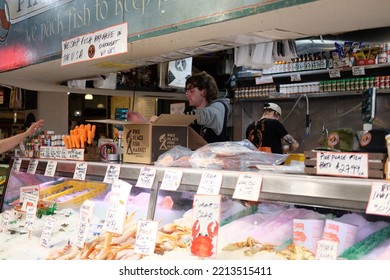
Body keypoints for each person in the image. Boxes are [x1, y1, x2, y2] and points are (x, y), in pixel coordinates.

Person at [184, 71, 230, 143]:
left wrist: (183, 118)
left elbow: (208, 115)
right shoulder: (188, 110)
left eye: (191, 91)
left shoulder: (219, 106)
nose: (187, 95)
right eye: (187, 91)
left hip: (216, 153)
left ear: (203, 92)